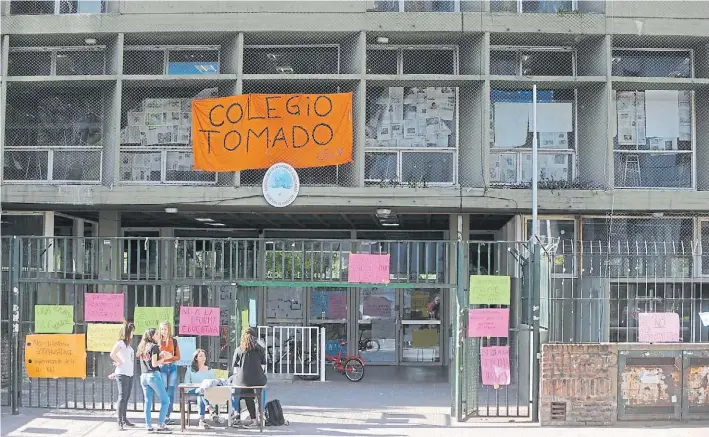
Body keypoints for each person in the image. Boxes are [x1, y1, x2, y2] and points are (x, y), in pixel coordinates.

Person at [229, 328, 267, 427]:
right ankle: (261, 413)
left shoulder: (238, 350)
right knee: (262, 390)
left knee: (243, 391)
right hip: (258, 380)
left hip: (242, 381)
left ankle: (237, 413)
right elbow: (263, 368)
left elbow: (236, 370)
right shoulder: (260, 349)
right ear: (255, 337)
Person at [137, 328, 170, 432]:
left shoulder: (142, 347)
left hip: (144, 376)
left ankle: (148, 425)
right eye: (156, 334)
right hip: (153, 375)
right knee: (166, 400)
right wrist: (164, 358)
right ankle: (161, 424)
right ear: (151, 336)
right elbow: (154, 364)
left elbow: (149, 360)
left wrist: (160, 356)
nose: (158, 335)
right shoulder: (154, 346)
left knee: (148, 401)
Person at [109, 321, 135, 430]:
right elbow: (112, 354)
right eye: (132, 331)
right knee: (122, 396)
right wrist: (119, 362)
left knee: (126, 396)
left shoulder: (128, 345)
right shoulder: (121, 343)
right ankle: (119, 421)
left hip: (129, 373)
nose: (133, 333)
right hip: (122, 373)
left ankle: (124, 419)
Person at [184, 349, 218, 429]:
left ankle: (201, 421)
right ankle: (210, 409)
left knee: (201, 395)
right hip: (192, 391)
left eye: (204, 356)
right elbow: (186, 384)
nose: (203, 358)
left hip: (205, 392)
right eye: (201, 356)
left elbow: (214, 382)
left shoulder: (210, 370)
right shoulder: (190, 369)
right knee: (200, 391)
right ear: (196, 358)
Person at [158, 321, 180, 424]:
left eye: (165, 329)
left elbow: (178, 357)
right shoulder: (157, 342)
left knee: (170, 392)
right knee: (164, 391)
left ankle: (168, 415)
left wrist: (171, 357)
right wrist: (162, 355)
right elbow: (155, 356)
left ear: (169, 330)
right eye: (162, 329)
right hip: (162, 367)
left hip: (172, 367)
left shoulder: (174, 341)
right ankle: (163, 415)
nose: (164, 331)